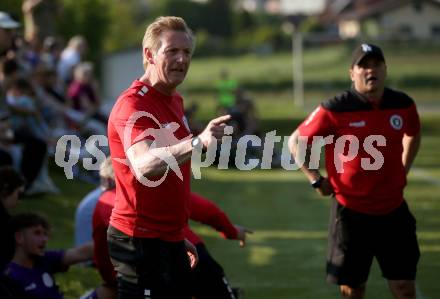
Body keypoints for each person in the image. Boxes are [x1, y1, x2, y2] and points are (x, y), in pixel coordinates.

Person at [107, 16, 231, 299]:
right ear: (149, 55)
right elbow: (144, 164)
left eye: (187, 52)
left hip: (168, 237)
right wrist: (198, 142)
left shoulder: (173, 98)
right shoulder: (133, 104)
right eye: (172, 51)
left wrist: (176, 234)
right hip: (138, 239)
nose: (181, 59)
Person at [288, 43, 421, 299]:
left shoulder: (403, 104)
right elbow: (295, 141)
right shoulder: (335, 108)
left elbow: (413, 133)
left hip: (393, 212)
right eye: (364, 66)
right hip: (351, 215)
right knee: (352, 289)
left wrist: (404, 167)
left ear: (385, 69)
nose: (371, 70)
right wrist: (316, 180)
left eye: (376, 64)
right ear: (352, 73)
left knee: (404, 287)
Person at [92, 158, 251, 299]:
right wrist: (231, 231)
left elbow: (102, 251)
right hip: (192, 253)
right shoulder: (155, 192)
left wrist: (110, 280)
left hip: (153, 265)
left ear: (106, 179)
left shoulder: (105, 202)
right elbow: (207, 210)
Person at [4, 213, 94, 299]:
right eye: (37, 233)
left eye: (45, 234)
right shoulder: (10, 277)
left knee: (106, 290)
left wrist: (106, 238)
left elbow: (81, 253)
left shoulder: (45, 259)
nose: (44, 239)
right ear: (19, 237)